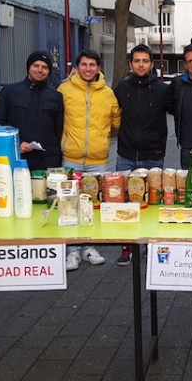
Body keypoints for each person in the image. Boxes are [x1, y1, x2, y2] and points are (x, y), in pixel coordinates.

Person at [57, 49, 121, 270]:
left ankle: (89, 247)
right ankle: (71, 251)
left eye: (92, 65)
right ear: (77, 67)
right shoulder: (64, 90)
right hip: (70, 157)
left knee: (93, 205)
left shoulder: (108, 94)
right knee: (69, 206)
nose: (88, 68)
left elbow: (118, 121)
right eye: (83, 64)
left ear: (98, 68)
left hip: (98, 159)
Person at [113, 44, 172, 266]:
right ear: (131, 64)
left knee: (151, 200)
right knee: (124, 200)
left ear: (151, 64)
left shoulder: (162, 89)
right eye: (136, 61)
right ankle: (127, 246)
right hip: (126, 153)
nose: (140, 65)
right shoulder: (122, 87)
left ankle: (149, 243)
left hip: (152, 154)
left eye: (145, 61)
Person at [0, 50, 64, 171]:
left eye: (44, 67)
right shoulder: (10, 92)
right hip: (17, 158)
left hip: (47, 161)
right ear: (28, 68)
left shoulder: (56, 96)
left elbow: (58, 130)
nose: (40, 70)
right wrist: (17, 144)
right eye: (36, 66)